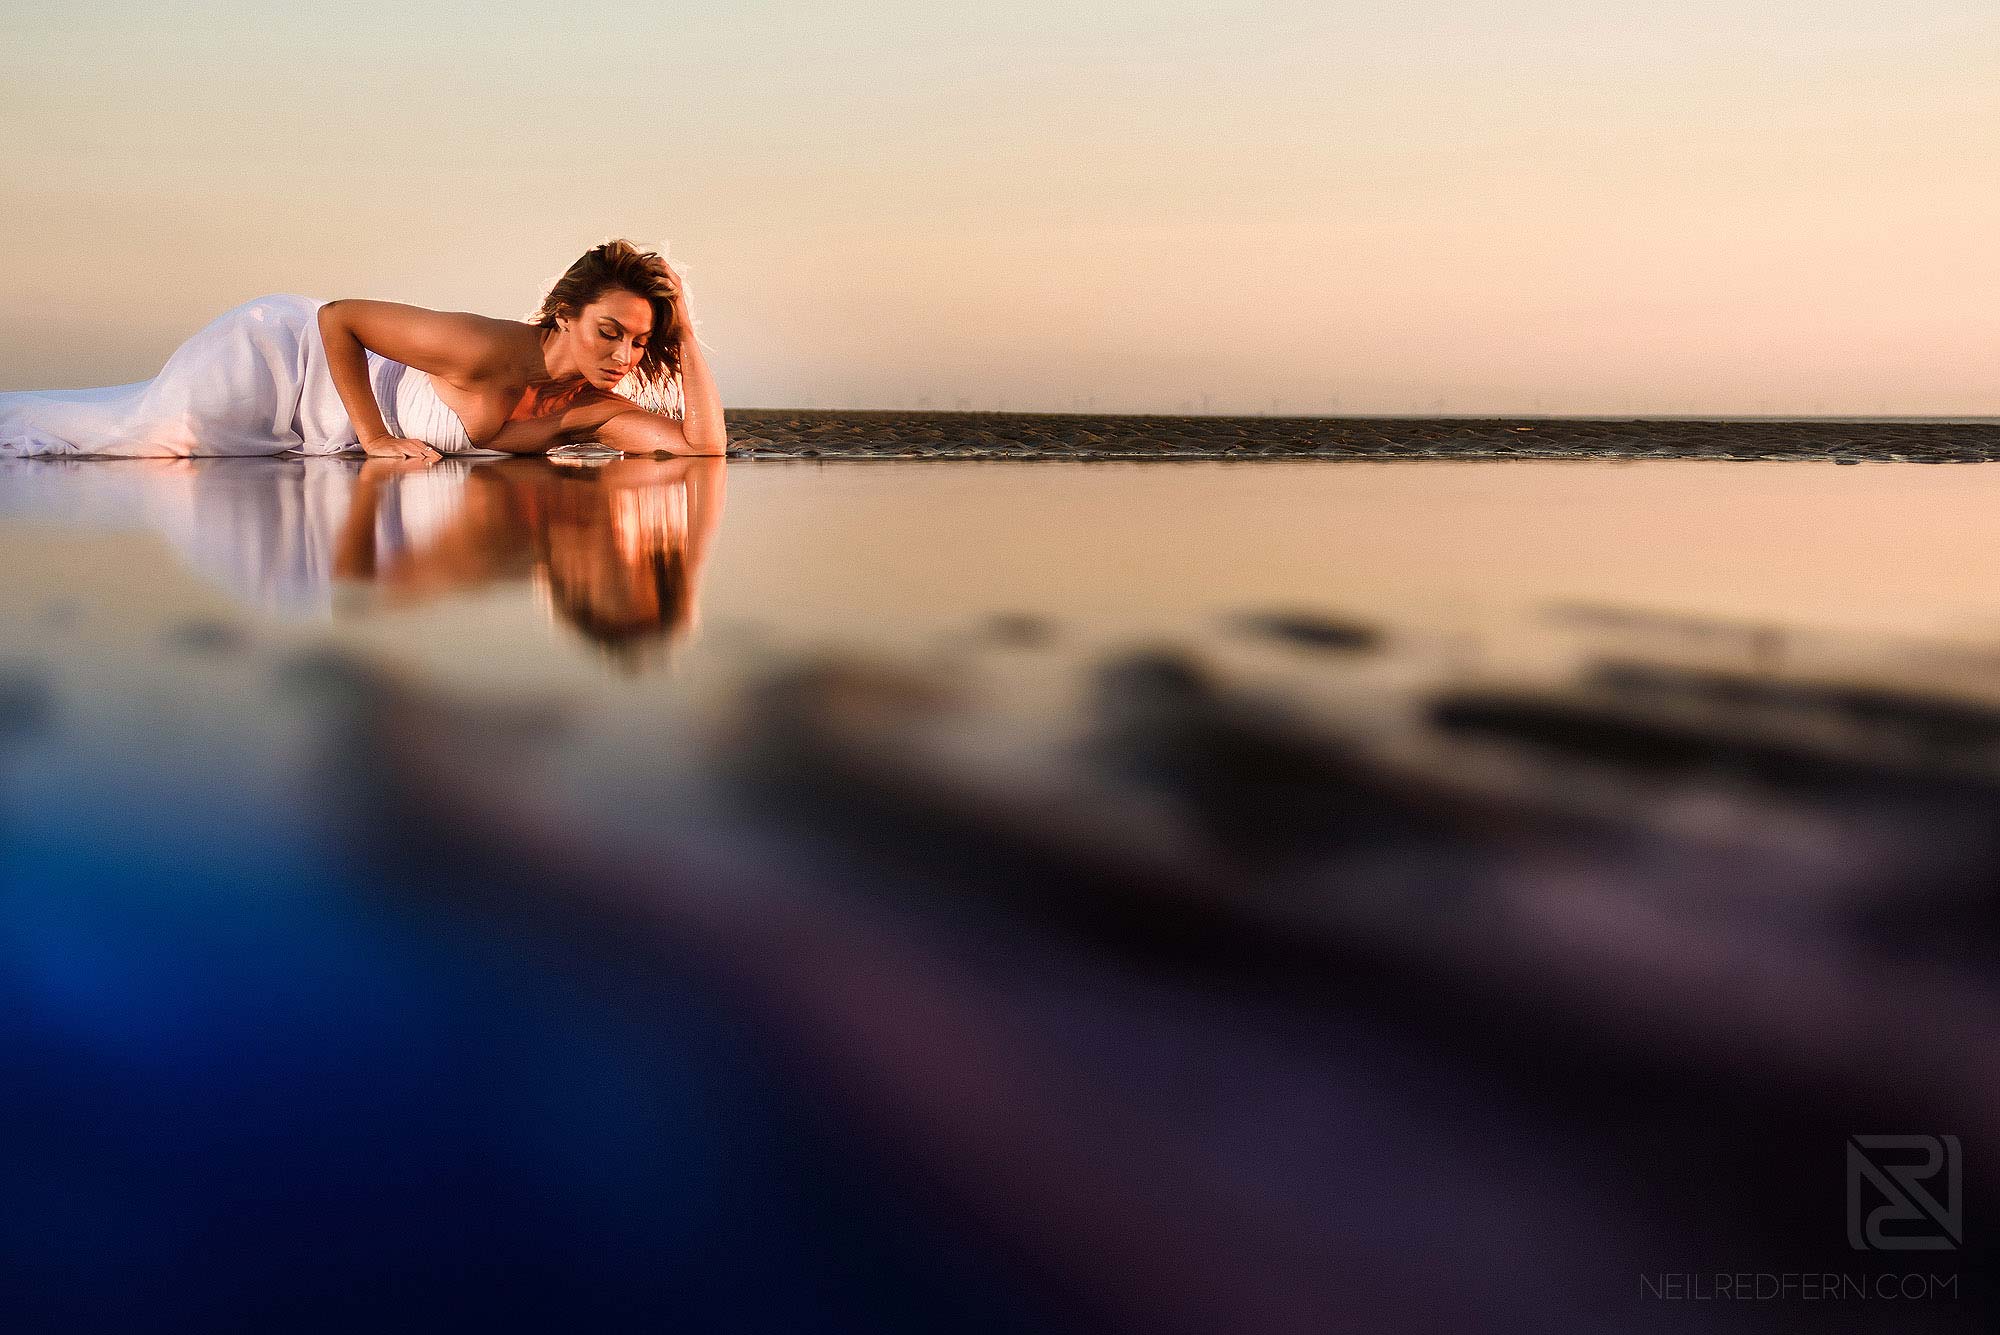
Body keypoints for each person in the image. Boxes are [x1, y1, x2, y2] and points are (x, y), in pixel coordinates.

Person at [0, 239, 726, 461]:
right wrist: (376, 437)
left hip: (319, 413)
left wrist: (687, 333)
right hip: (282, 357)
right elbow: (340, 318)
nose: (626, 355)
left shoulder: (588, 409)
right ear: (565, 316)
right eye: (611, 331)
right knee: (146, 438)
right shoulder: (480, 346)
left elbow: (704, 450)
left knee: (131, 433)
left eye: (641, 341)